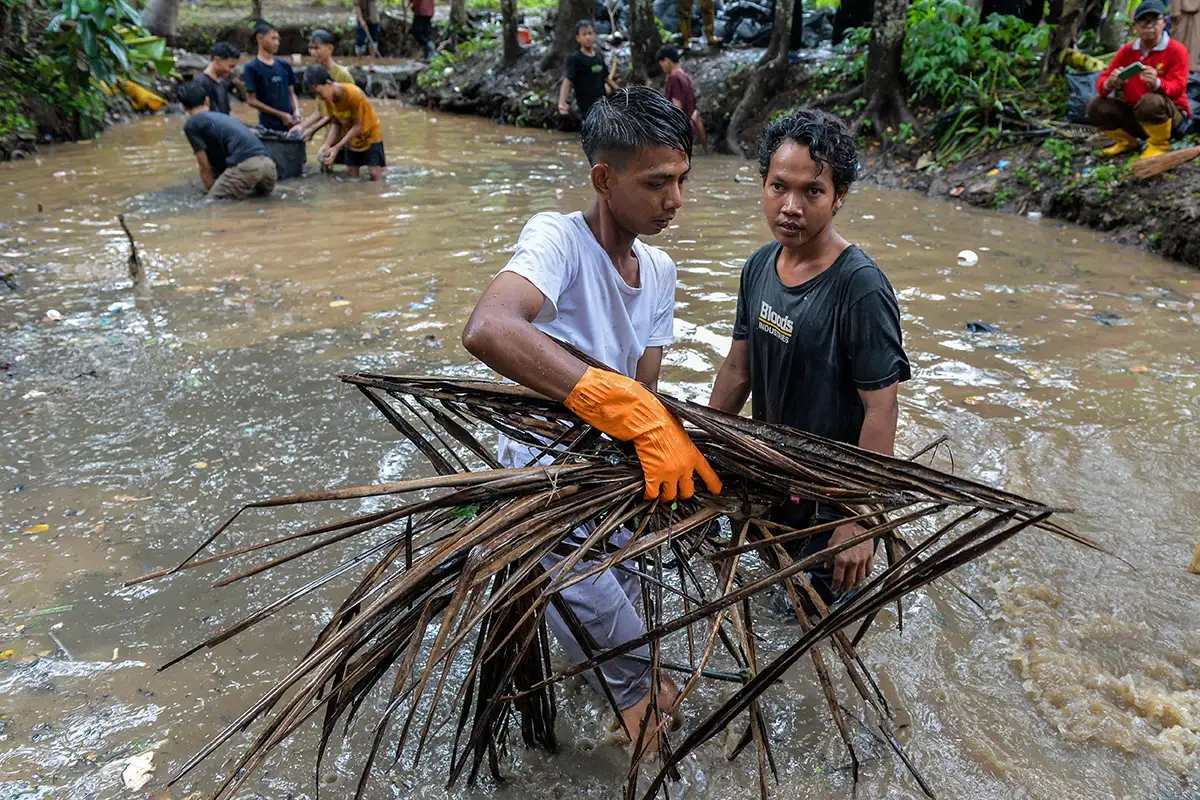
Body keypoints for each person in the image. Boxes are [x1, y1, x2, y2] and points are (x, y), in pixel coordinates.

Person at [461, 86, 720, 750]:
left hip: (611, 493)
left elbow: (649, 388)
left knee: (604, 656)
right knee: (649, 695)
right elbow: (490, 328)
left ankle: (588, 742)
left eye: (682, 180)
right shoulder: (559, 240)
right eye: (657, 182)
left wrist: (655, 432)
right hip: (546, 504)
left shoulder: (659, 270)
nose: (676, 200)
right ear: (604, 179)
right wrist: (622, 406)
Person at [708, 110, 910, 606]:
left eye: (812, 192)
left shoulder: (859, 287)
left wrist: (858, 520)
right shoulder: (760, 266)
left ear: (838, 197)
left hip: (830, 502)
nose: (790, 206)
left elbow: (881, 409)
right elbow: (739, 369)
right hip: (773, 483)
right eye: (779, 187)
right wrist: (700, 448)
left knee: (815, 631)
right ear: (763, 184)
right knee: (773, 612)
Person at [1088, 0, 1191, 160]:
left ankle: (1159, 144)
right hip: (1136, 114)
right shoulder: (1128, 51)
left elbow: (1178, 88)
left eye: (1154, 20)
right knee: (1096, 104)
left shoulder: (1177, 50)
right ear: (1135, 26)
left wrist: (1157, 83)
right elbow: (1102, 83)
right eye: (1144, 21)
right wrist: (1111, 82)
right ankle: (1126, 142)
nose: (1149, 26)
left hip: (1170, 118)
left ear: (1164, 22)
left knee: (1151, 101)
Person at [178, 82, 277, 201]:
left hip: (248, 168)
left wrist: (212, 192)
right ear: (207, 101)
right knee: (260, 201)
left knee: (212, 204)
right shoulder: (222, 117)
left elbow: (203, 166)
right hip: (268, 166)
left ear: (184, 107)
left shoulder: (191, 125)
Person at [306, 65, 386, 181]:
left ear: (328, 83)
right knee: (351, 175)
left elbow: (358, 126)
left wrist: (337, 148)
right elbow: (335, 122)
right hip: (352, 137)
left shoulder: (353, 94)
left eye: (319, 93)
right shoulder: (328, 100)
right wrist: (327, 145)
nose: (319, 98)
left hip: (370, 134)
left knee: (374, 174)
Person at [291, 30, 354, 141]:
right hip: (330, 137)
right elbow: (321, 111)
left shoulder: (342, 75)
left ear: (330, 48)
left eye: (317, 48)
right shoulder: (317, 73)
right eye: (310, 48)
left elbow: (341, 114)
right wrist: (302, 126)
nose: (313, 52)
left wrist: (312, 129)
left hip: (345, 138)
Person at [243, 22, 301, 132]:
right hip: (268, 127)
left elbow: (291, 93)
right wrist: (281, 115)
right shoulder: (252, 67)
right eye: (273, 38)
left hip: (291, 124)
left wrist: (296, 111)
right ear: (259, 38)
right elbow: (251, 100)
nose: (277, 43)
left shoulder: (284, 65)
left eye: (278, 39)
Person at [557, 20, 617, 120]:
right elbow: (567, 80)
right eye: (584, 34)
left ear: (595, 35)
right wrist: (562, 102)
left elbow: (606, 78)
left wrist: (621, 92)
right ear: (578, 38)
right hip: (586, 108)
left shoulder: (598, 56)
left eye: (590, 33)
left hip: (603, 105)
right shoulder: (575, 58)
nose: (587, 37)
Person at [193, 42, 239, 115]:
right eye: (230, 66)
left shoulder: (222, 82)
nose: (232, 71)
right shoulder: (200, 83)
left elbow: (228, 112)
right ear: (217, 60)